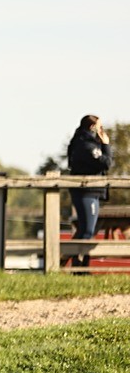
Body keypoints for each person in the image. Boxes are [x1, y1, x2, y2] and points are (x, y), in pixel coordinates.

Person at [66, 115, 114, 268]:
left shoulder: (82, 142)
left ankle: (79, 265)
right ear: (93, 127)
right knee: (87, 231)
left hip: (90, 192)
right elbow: (106, 163)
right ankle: (79, 267)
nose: (101, 130)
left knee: (85, 230)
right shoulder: (87, 145)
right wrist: (106, 145)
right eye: (99, 127)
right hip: (87, 192)